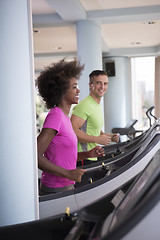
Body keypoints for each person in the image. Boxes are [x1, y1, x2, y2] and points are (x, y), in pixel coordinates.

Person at [36, 59, 105, 195]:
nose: (78, 90)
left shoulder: (65, 118)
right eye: (74, 87)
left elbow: (63, 157)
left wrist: (87, 154)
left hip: (66, 186)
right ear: (61, 91)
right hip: (55, 188)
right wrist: (67, 173)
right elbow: (36, 156)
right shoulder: (55, 116)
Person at [71, 70, 119, 165]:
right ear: (90, 85)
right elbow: (72, 131)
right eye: (98, 83)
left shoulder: (96, 105)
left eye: (105, 84)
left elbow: (92, 129)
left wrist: (109, 137)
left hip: (92, 156)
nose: (102, 87)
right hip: (82, 158)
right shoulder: (84, 106)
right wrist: (97, 139)